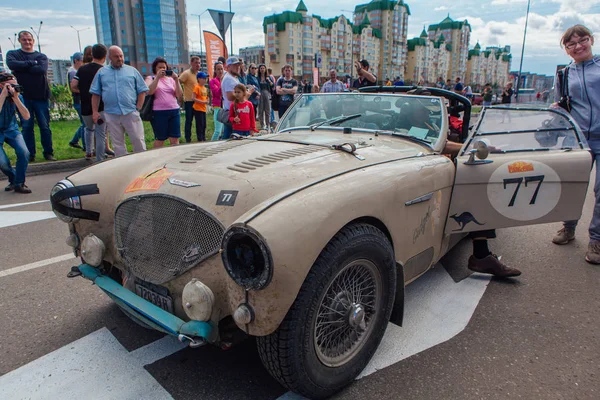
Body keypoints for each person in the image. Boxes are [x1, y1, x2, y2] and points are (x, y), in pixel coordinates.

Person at [551, 24, 600, 264]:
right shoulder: (564, 74)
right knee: (573, 185)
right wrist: (557, 110)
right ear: (566, 50)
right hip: (578, 138)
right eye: (571, 44)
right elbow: (561, 103)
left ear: (591, 40)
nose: (578, 46)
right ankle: (568, 228)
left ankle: (597, 240)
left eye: (582, 41)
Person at [90, 46, 148, 156]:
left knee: (138, 140)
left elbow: (142, 90)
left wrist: (138, 107)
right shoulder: (102, 73)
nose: (120, 59)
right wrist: (95, 111)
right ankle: (123, 167)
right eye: (116, 56)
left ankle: (142, 164)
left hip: (130, 112)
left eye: (121, 56)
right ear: (109, 57)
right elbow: (95, 93)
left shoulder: (132, 71)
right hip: (111, 114)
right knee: (118, 145)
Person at [6, 31, 55, 162]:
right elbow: (12, 65)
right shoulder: (13, 54)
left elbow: (41, 70)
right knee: (27, 127)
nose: (27, 42)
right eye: (24, 39)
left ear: (33, 41)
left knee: (44, 126)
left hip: (41, 96)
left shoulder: (41, 56)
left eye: (29, 39)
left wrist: (22, 66)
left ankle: (48, 153)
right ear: (20, 41)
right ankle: (30, 154)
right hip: (23, 97)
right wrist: (31, 63)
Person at [72, 44, 108, 162]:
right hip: (101, 106)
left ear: (92, 54)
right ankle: (100, 158)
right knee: (101, 133)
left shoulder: (82, 69)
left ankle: (88, 152)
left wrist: (83, 91)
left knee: (88, 129)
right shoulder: (104, 70)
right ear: (105, 56)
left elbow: (73, 85)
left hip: (85, 105)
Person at [0, 72, 31, 193]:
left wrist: (16, 98)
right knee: (2, 163)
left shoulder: (16, 95)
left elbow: (27, 116)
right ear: (1, 85)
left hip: (11, 129)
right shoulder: (2, 93)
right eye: (10, 85)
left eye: (15, 85)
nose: (13, 88)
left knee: (24, 152)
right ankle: (13, 178)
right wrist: (3, 95)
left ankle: (19, 183)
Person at [145, 57, 182, 148]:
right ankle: (156, 159)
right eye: (159, 68)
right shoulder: (151, 78)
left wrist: (176, 80)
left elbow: (179, 94)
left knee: (175, 138)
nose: (162, 69)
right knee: (160, 138)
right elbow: (149, 91)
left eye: (164, 67)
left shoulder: (171, 80)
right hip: (159, 112)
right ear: (155, 68)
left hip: (174, 110)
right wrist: (157, 78)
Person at [221, 57, 248, 140]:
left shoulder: (233, 78)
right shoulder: (229, 79)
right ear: (228, 67)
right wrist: (246, 94)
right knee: (231, 138)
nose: (238, 67)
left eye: (238, 65)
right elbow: (230, 97)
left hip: (234, 111)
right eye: (235, 65)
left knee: (230, 136)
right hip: (232, 112)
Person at [178, 56, 202, 143]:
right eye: (196, 63)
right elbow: (178, 82)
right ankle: (188, 139)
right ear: (191, 63)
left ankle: (200, 138)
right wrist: (180, 95)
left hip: (198, 102)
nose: (198, 65)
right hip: (189, 101)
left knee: (199, 121)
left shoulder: (199, 74)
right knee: (189, 121)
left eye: (199, 63)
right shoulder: (186, 73)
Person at [67, 52, 86, 152]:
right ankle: (86, 146)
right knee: (85, 124)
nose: (83, 63)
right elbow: (73, 88)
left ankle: (74, 141)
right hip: (79, 100)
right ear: (76, 61)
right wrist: (86, 91)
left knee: (84, 123)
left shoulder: (75, 71)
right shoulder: (73, 72)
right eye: (82, 61)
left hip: (79, 100)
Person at [192, 71, 209, 142]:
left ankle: (203, 137)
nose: (205, 80)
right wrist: (202, 102)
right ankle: (200, 138)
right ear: (198, 79)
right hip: (198, 108)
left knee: (204, 124)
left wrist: (207, 100)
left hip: (203, 109)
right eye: (203, 78)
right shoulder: (197, 87)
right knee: (199, 124)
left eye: (205, 78)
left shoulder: (205, 88)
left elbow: (206, 97)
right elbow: (193, 98)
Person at [210, 62, 225, 140]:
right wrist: (222, 82)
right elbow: (217, 93)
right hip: (218, 107)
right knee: (218, 131)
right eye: (218, 69)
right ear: (215, 70)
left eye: (221, 69)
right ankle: (210, 145)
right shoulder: (212, 81)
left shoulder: (225, 80)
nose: (220, 71)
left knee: (223, 131)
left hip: (225, 107)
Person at [257, 64, 273, 132]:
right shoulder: (257, 78)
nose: (262, 69)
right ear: (259, 70)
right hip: (260, 94)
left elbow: (272, 86)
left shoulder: (268, 77)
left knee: (267, 110)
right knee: (260, 110)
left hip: (267, 93)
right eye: (261, 68)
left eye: (263, 68)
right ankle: (262, 125)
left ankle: (268, 124)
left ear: (265, 69)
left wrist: (269, 81)